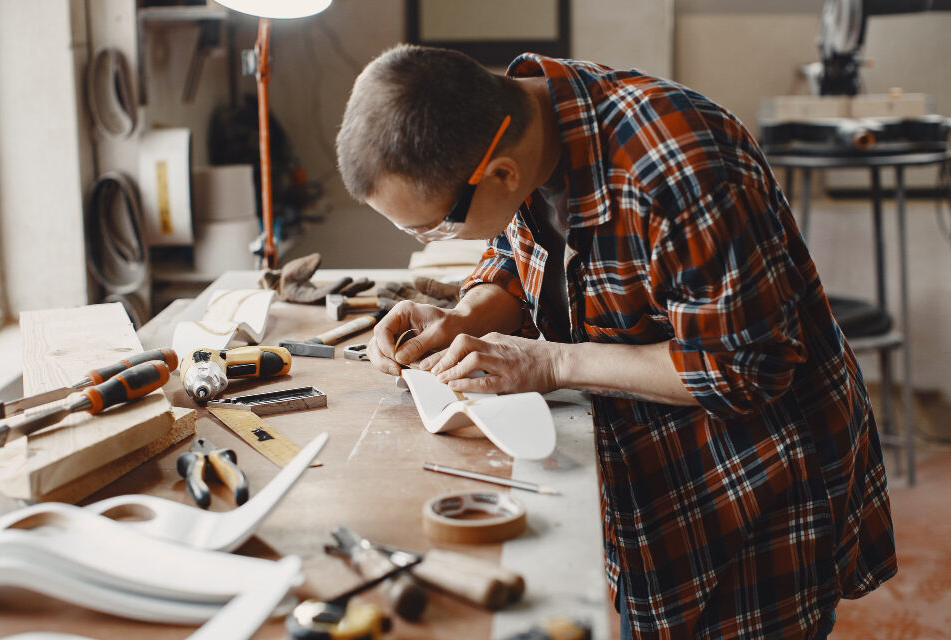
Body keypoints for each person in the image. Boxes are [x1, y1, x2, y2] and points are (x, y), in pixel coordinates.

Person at [335, 44, 896, 639]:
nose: (435, 239)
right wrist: (467, 314)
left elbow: (742, 367)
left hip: (752, 492)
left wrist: (549, 362)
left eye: (435, 226)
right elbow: (518, 251)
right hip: (645, 483)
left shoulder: (679, 167)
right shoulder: (529, 125)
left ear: (501, 173)